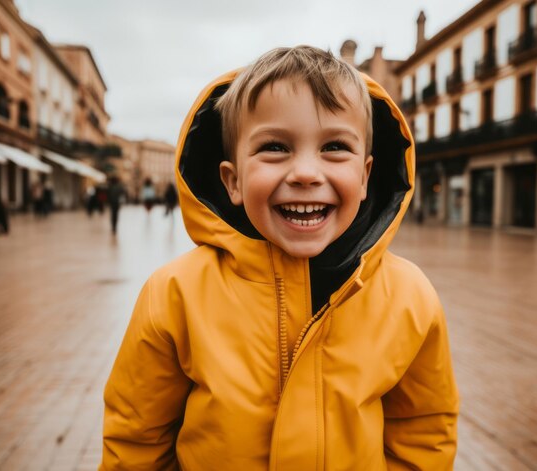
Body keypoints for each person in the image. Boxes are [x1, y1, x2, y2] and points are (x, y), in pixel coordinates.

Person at [101, 46, 459, 470]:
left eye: (334, 147)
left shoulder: (409, 297)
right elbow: (136, 438)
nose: (306, 172)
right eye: (274, 147)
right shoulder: (174, 295)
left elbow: (423, 430)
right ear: (233, 181)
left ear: (364, 177)